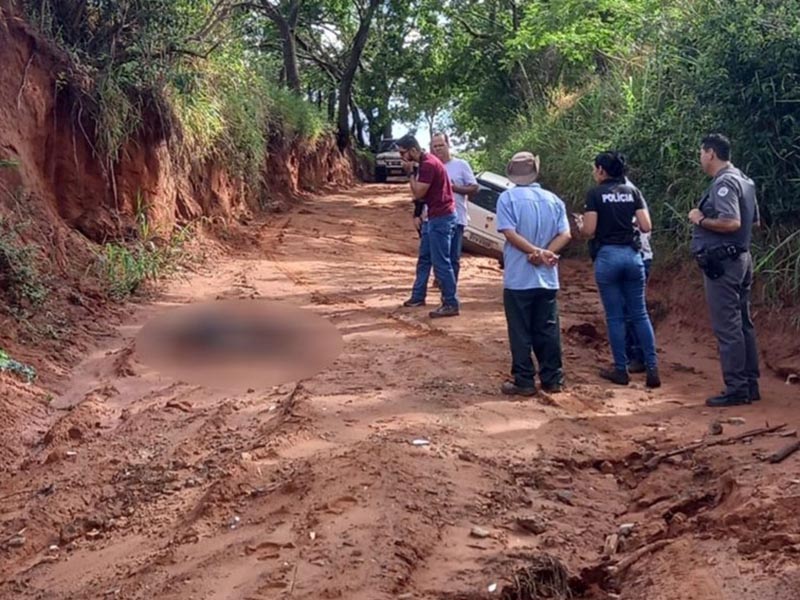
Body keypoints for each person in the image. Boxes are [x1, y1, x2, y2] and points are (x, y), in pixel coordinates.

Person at [576, 151, 661, 388]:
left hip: (608, 257)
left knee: (615, 316)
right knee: (640, 313)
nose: (594, 173)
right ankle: (653, 369)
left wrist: (582, 225)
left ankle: (621, 370)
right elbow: (646, 226)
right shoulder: (632, 192)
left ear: (602, 170)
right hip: (633, 256)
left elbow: (590, 230)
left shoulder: (595, 194)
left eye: (595, 169)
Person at [689, 133, 760, 407]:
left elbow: (731, 222)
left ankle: (736, 388)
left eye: (701, 152)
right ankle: (750, 384)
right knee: (743, 323)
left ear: (710, 153)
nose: (700, 158)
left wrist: (702, 219)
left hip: (725, 264)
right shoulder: (745, 180)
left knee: (728, 326)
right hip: (741, 258)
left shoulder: (725, 182)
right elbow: (754, 223)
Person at [497, 152, 571, 396]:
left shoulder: (507, 198)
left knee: (520, 330)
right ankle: (553, 378)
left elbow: (509, 232)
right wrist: (546, 253)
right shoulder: (554, 200)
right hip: (547, 276)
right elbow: (566, 234)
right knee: (547, 328)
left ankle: (524, 380)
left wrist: (534, 252)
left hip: (519, 277)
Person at [398, 133, 460, 318]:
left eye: (403, 153)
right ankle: (418, 296)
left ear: (414, 150)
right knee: (425, 258)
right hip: (434, 216)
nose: (401, 158)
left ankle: (450, 302)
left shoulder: (428, 165)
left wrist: (410, 173)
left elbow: (418, 193)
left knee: (441, 262)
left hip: (440, 217)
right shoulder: (427, 162)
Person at [431, 132, 479, 283]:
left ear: (448, 145)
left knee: (454, 256)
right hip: (435, 217)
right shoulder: (431, 166)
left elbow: (474, 188)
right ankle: (442, 283)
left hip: (457, 217)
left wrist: (453, 188)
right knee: (437, 255)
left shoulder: (461, 165)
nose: (438, 149)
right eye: (435, 146)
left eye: (441, 145)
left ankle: (451, 289)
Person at [624, 196, 654, 373]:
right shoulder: (633, 193)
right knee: (634, 310)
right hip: (639, 257)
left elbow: (644, 226)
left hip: (635, 256)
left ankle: (637, 357)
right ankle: (638, 357)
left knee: (631, 311)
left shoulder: (624, 194)